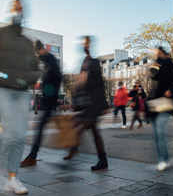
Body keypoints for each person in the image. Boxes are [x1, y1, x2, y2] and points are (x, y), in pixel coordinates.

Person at [0, 0, 40, 194]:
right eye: (15, 8)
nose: (17, 12)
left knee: (20, 135)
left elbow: (35, 68)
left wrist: (28, 77)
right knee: (12, 130)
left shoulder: (27, 42)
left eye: (20, 9)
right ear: (9, 11)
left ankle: (11, 178)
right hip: (0, 88)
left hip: (21, 91)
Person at [64, 36, 109, 171]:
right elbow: (80, 86)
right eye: (83, 44)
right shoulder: (85, 61)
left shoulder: (94, 62)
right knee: (94, 131)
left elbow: (99, 83)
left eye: (86, 44)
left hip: (93, 104)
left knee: (82, 126)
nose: (84, 46)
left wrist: (85, 79)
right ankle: (102, 159)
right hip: (87, 104)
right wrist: (75, 103)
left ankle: (74, 149)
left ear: (89, 45)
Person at [20, 40, 62, 167]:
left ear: (40, 49)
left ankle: (32, 156)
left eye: (37, 52)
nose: (37, 55)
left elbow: (58, 77)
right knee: (59, 126)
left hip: (50, 100)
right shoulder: (45, 60)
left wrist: (51, 94)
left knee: (39, 128)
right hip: (48, 99)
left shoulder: (51, 59)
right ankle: (74, 147)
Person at [147, 46, 173, 171]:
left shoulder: (169, 66)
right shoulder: (156, 65)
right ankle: (164, 158)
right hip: (154, 103)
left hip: (165, 103)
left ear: (163, 53)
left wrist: (170, 90)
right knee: (158, 134)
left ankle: (163, 160)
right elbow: (152, 79)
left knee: (160, 132)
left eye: (158, 52)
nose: (156, 54)